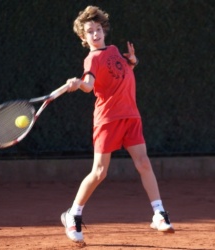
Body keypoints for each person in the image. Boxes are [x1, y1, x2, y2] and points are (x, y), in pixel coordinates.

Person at [61, 5, 175, 243]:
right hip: (107, 119)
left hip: (131, 116)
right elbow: (90, 84)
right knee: (100, 172)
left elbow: (120, 73)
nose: (96, 33)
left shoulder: (113, 50)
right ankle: (73, 214)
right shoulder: (91, 59)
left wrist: (133, 61)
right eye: (90, 31)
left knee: (144, 163)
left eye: (98, 29)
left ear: (104, 31)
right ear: (83, 37)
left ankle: (159, 214)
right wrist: (79, 83)